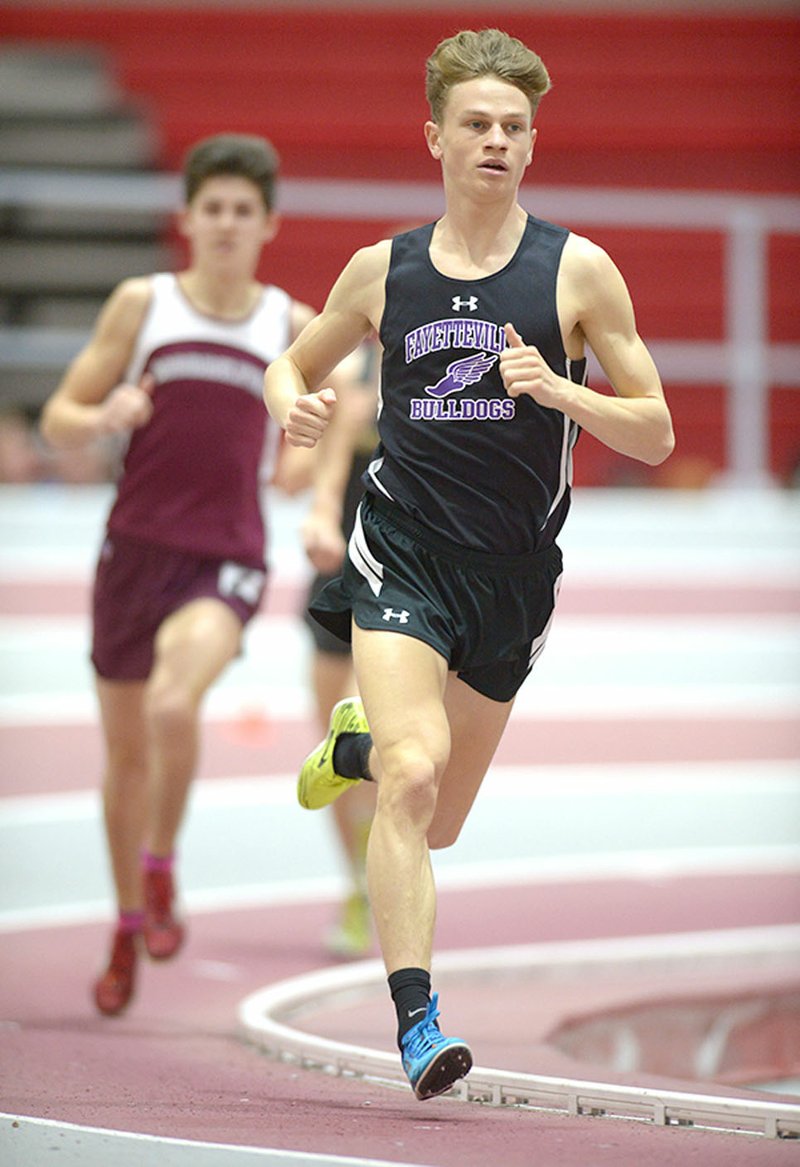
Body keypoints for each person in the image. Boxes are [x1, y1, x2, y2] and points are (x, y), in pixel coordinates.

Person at [264, 28, 674, 1101]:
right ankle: (416, 1022)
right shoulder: (381, 269)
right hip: (400, 548)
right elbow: (290, 363)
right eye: (475, 123)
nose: (494, 140)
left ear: (530, 145)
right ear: (435, 138)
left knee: (435, 814)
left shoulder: (576, 270)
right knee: (414, 778)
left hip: (514, 578)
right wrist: (293, 405)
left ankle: (351, 747)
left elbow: (656, 433)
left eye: (512, 126)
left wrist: (562, 392)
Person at [39, 133, 322, 1017]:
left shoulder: (290, 323)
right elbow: (56, 417)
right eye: (214, 209)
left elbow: (341, 408)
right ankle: (127, 921)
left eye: (245, 210)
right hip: (133, 554)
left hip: (227, 557)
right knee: (125, 756)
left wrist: (304, 469)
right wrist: (101, 412)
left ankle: (160, 865)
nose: (229, 224)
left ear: (269, 223)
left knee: (172, 702)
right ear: (188, 218)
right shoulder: (143, 304)